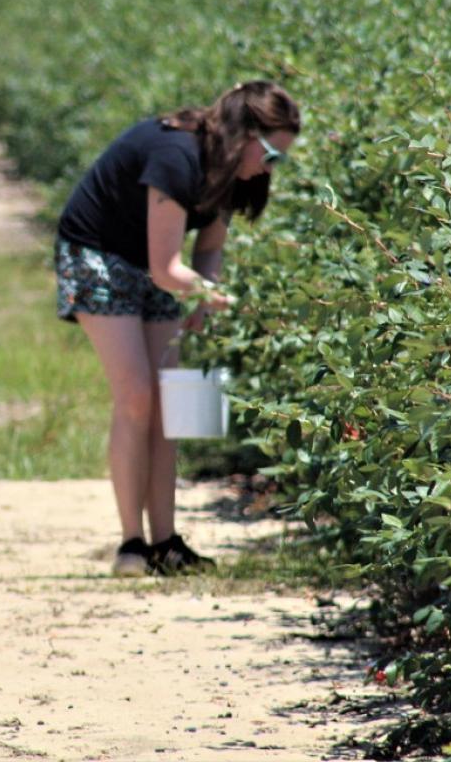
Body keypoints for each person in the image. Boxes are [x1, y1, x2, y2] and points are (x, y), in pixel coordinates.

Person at [55, 81, 301, 576]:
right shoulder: (176, 154)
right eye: (272, 153)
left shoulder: (235, 172)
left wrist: (205, 298)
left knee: (173, 401)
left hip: (151, 263)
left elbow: (207, 250)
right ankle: (131, 545)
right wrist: (228, 301)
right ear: (246, 134)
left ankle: (167, 543)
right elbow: (169, 269)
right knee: (137, 396)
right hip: (97, 254)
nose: (271, 167)